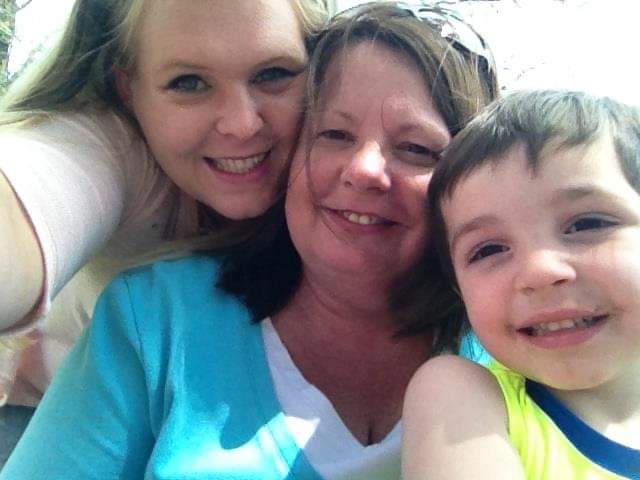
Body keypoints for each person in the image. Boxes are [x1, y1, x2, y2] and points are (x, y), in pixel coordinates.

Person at [1, 3, 496, 478]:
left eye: (416, 148)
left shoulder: (516, 341)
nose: (364, 168)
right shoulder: (152, 316)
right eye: (334, 134)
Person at [0, 0, 330, 407]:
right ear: (128, 90)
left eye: (273, 74)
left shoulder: (348, 168)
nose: (242, 124)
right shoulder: (115, 153)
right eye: (189, 83)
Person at [402, 90, 640, 480]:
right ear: (460, 292)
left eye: (587, 224)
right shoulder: (462, 398)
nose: (540, 270)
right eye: (489, 250)